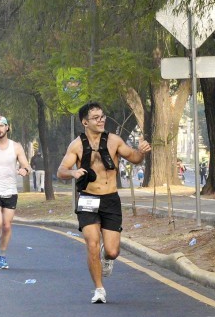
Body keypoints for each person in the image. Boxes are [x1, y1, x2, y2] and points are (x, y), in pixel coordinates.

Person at [57, 102, 152, 303]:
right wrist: (73, 172)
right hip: (88, 198)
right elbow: (61, 171)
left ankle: (107, 258)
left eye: (102, 117)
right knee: (92, 243)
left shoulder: (114, 141)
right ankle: (99, 289)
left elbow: (135, 158)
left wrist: (142, 151)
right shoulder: (76, 145)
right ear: (85, 122)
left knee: (112, 251)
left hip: (110, 200)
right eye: (96, 118)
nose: (101, 121)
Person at [0, 115, 32, 270]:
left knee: (7, 226)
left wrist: (24, 170)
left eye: (1, 126)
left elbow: (27, 166)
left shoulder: (16, 146)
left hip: (10, 190)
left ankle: (2, 256)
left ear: (7, 128)